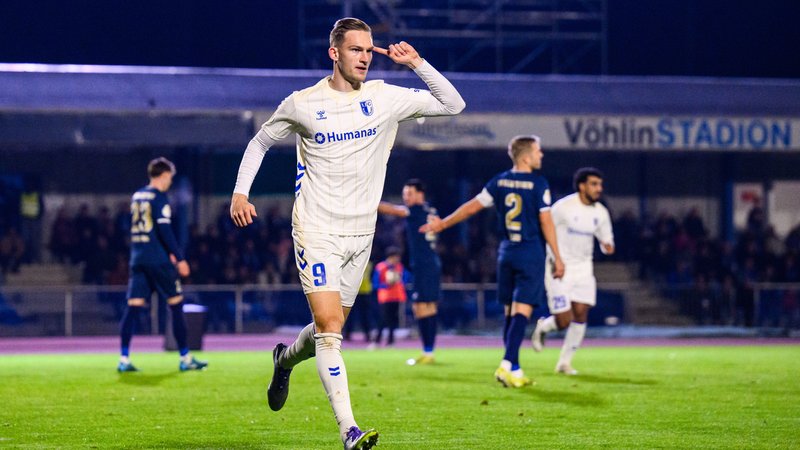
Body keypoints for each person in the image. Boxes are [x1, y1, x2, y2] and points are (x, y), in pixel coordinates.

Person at [229, 17, 464, 450]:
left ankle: (284, 360)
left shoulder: (385, 97)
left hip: (362, 235)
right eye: (356, 49)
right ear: (334, 53)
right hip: (316, 228)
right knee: (330, 327)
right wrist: (241, 193)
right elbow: (260, 142)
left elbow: (453, 104)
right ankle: (348, 430)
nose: (365, 57)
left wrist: (417, 64)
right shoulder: (303, 103)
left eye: (370, 50)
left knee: (327, 330)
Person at [421, 135, 564, 388]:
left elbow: (471, 208)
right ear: (526, 156)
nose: (541, 155)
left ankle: (516, 369)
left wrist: (442, 223)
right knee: (523, 310)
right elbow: (546, 221)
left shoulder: (498, 181)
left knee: (510, 311)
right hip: (530, 251)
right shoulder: (539, 183)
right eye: (538, 151)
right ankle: (507, 363)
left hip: (506, 252)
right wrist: (558, 256)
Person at [117, 157, 208, 373]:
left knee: (133, 308)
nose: (170, 182)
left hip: (138, 259)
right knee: (176, 305)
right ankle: (185, 358)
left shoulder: (137, 195)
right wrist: (179, 257)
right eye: (170, 177)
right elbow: (164, 230)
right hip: (157, 260)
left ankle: (123, 358)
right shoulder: (159, 197)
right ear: (164, 175)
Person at [531, 167, 615, 375]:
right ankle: (544, 327)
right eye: (594, 184)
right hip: (559, 267)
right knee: (563, 320)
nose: (599, 189)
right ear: (582, 186)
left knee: (581, 314)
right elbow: (545, 227)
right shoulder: (563, 207)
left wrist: (607, 246)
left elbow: (607, 239)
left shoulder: (600, 212)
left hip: (584, 268)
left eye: (600, 185)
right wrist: (555, 258)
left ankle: (564, 362)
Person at [378, 179, 441, 365]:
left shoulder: (416, 210)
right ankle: (428, 351)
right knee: (429, 307)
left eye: (410, 194)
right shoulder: (431, 210)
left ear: (420, 194)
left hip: (423, 264)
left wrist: (368, 200)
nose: (406, 198)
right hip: (432, 262)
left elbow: (392, 209)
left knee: (420, 307)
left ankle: (427, 351)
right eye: (405, 194)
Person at [372, 247, 408, 346]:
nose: (398, 259)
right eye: (396, 257)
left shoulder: (399, 267)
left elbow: (406, 279)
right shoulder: (381, 267)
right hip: (385, 297)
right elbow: (375, 283)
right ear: (391, 257)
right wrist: (387, 284)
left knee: (393, 320)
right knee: (383, 319)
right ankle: (377, 341)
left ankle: (391, 341)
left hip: (396, 297)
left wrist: (400, 281)